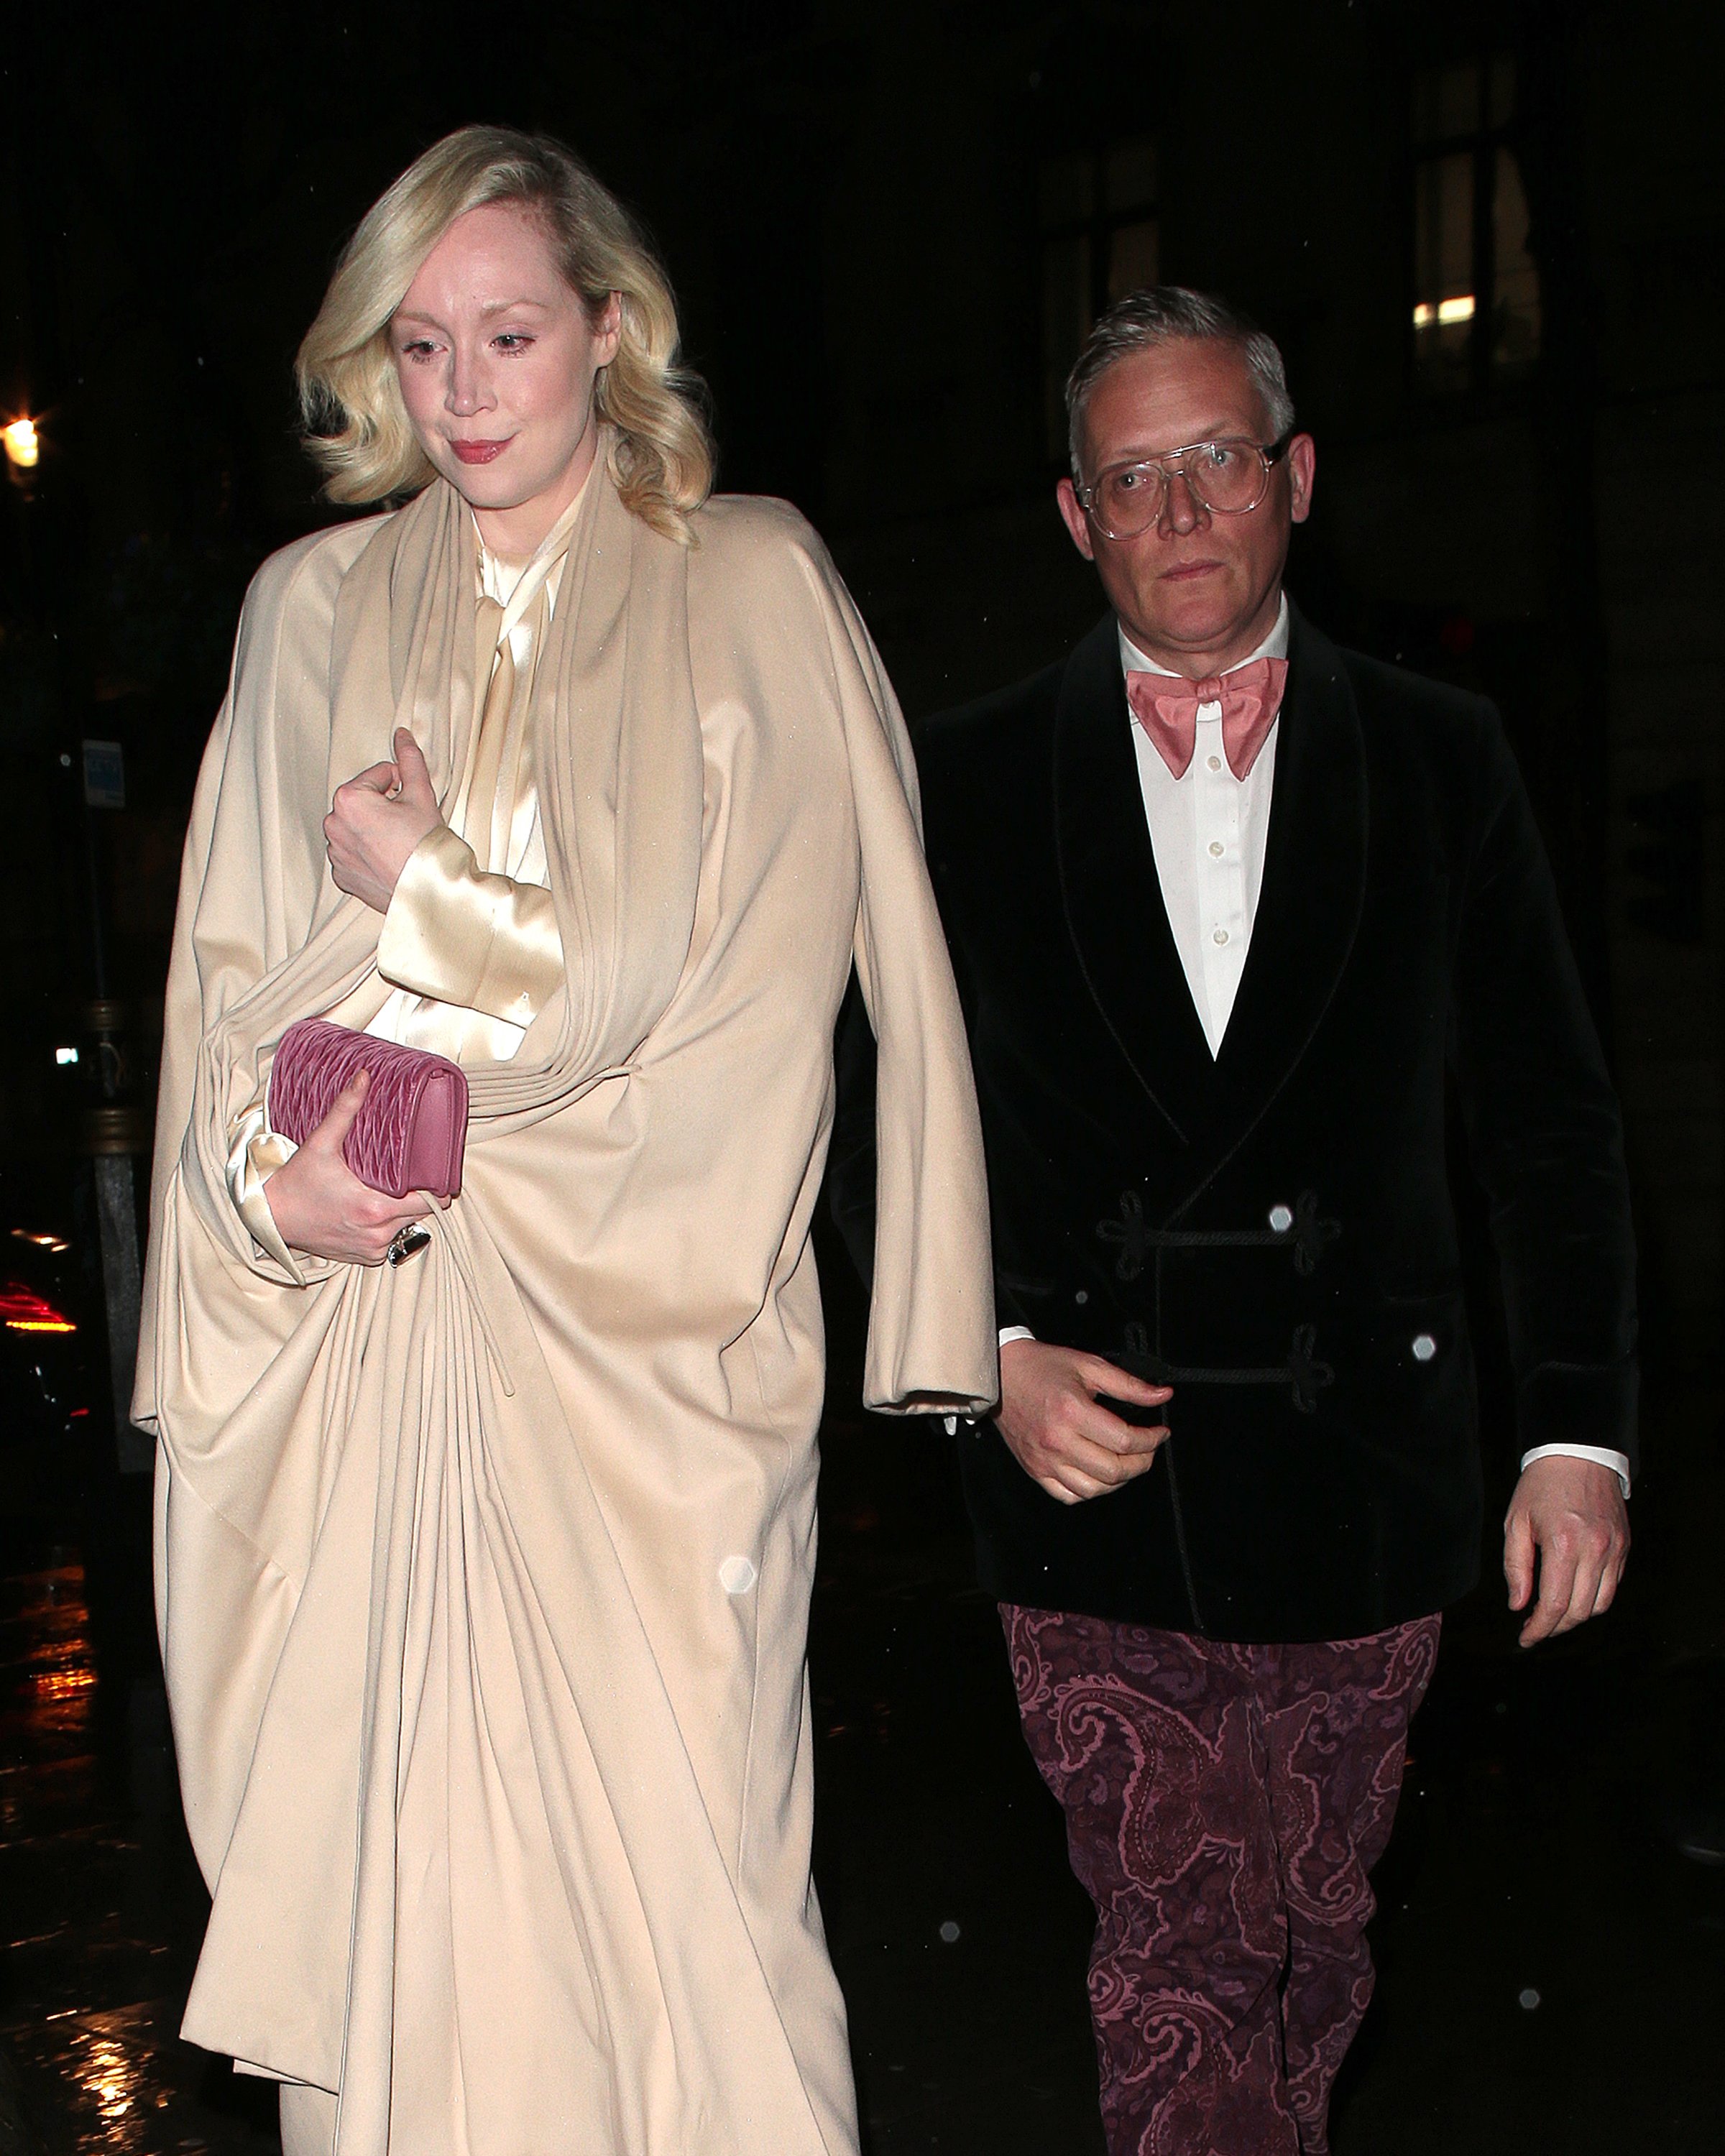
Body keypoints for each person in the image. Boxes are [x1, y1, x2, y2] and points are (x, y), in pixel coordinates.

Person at [134, 125, 995, 2156]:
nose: (463, 397)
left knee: (705, 1968)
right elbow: (225, 1029)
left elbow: (675, 996)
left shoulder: (750, 584)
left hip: (651, 1394)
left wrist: (424, 886)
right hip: (378, 1383)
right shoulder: (309, 614)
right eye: (418, 349)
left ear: (611, 331)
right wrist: (277, 1204)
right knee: (415, 1967)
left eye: (509, 335)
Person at [832, 286, 1636, 2155]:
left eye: (1216, 464)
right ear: (1074, 516)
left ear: (1295, 480)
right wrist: (983, 1355)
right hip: (1090, 1482)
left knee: (1311, 1947)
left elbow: (1547, 1117)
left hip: (1371, 1473)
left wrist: (1575, 1430)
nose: (1181, 513)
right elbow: (874, 1108)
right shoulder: (961, 779)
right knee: (1178, 1946)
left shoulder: (1442, 756)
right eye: (1136, 477)